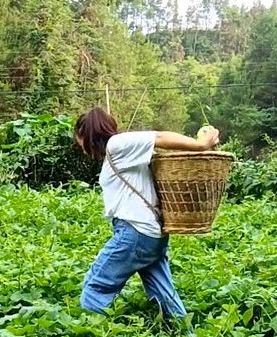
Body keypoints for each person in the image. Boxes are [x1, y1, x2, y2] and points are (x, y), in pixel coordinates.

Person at [74, 107, 219, 321]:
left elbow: (159, 137)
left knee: (96, 286)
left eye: (78, 138)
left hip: (134, 232)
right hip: (152, 235)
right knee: (164, 294)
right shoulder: (121, 155)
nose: (79, 143)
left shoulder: (117, 145)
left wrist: (201, 145)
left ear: (86, 134)